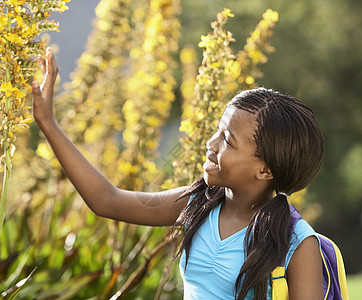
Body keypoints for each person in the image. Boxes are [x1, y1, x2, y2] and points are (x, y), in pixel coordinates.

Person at [32, 48, 325, 300]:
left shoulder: (297, 242)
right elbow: (106, 200)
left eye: (227, 140)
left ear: (266, 170)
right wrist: (47, 121)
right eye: (217, 131)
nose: (211, 144)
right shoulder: (198, 204)